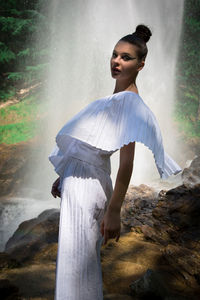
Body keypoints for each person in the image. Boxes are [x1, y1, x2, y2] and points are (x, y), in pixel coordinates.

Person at [48, 24, 182, 300]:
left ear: (140, 65)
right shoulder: (113, 100)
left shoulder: (129, 103)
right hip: (77, 183)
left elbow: (126, 163)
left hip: (89, 190)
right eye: (114, 55)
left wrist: (114, 211)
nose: (116, 61)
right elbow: (91, 145)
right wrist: (65, 173)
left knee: (77, 266)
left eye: (125, 57)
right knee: (72, 264)